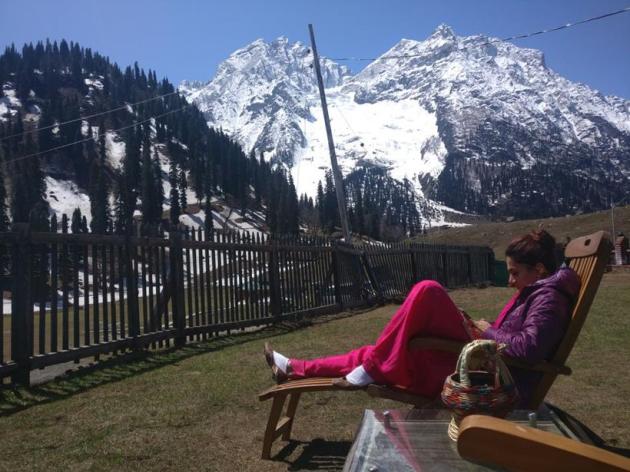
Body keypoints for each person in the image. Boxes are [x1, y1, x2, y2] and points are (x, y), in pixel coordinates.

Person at [264, 229, 580, 406]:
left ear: (539, 269)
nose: (510, 281)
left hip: (487, 380)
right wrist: (479, 327)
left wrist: (487, 331)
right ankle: (294, 368)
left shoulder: (548, 298)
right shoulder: (537, 291)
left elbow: (528, 349)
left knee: (428, 290)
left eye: (515, 273)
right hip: (479, 364)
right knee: (376, 353)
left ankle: (369, 368)